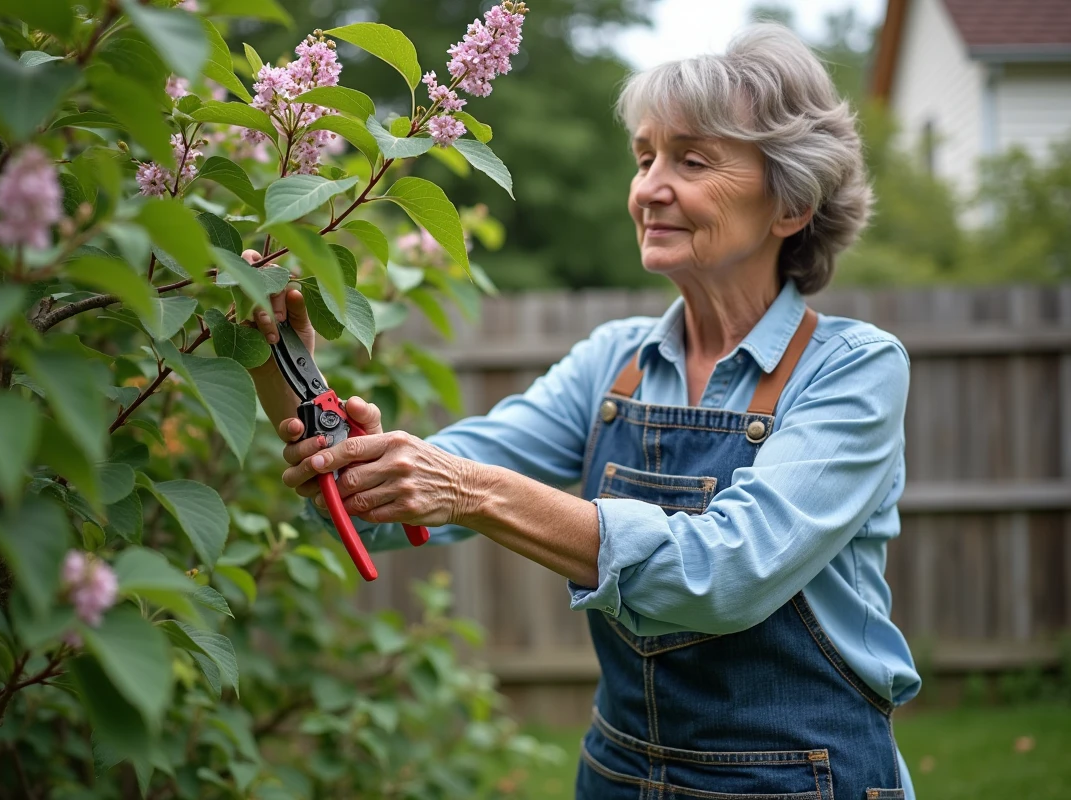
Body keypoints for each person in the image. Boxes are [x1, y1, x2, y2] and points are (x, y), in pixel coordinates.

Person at [245, 23, 919, 800]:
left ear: (791, 205)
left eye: (691, 160)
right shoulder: (614, 362)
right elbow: (384, 514)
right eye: (644, 158)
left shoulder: (853, 370)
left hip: (803, 781)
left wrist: (465, 488)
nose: (649, 188)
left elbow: (724, 575)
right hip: (618, 774)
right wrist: (277, 365)